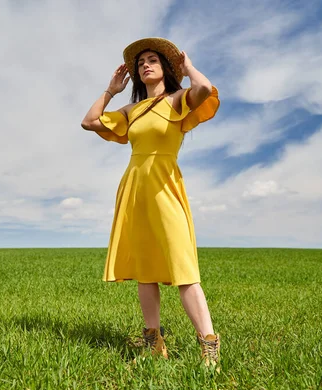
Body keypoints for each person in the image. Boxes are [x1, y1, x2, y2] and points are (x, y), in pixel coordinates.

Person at [81, 37, 221, 368]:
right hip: (135, 189)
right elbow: (90, 122)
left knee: (183, 267)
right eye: (140, 61)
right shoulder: (131, 110)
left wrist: (187, 68)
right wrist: (110, 92)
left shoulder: (177, 99)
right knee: (146, 271)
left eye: (152, 60)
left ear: (166, 69)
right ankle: (153, 341)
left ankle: (209, 345)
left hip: (166, 186)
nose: (145, 64)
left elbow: (205, 87)